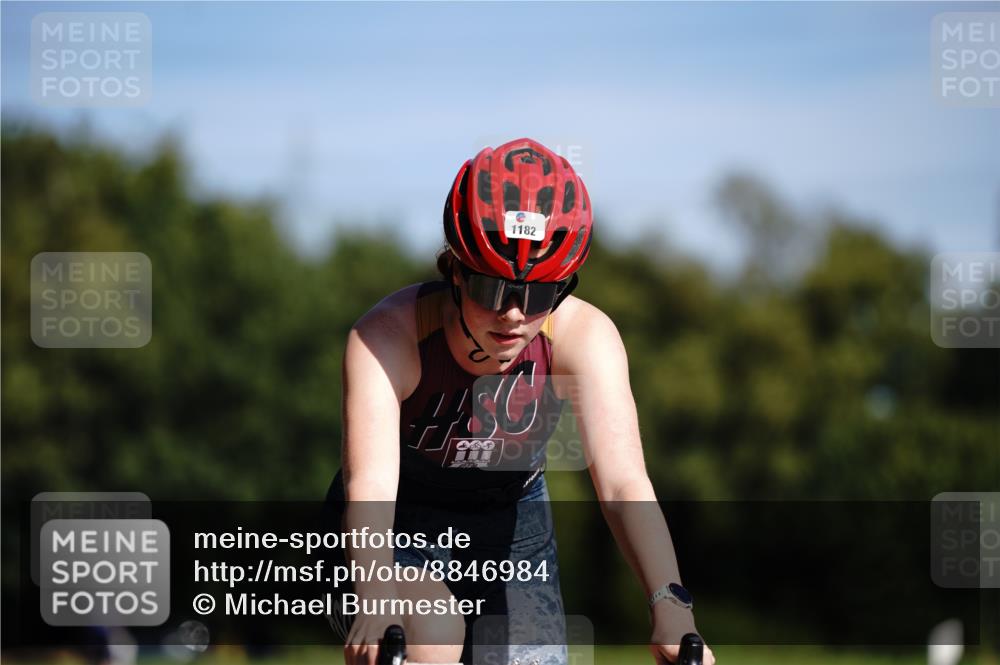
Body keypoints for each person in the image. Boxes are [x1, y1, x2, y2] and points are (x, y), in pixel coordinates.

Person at [324, 138, 716, 665]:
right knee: (430, 635)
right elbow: (370, 484)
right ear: (455, 270)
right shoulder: (387, 336)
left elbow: (625, 484)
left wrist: (671, 605)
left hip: (512, 522)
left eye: (537, 295)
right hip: (397, 525)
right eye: (491, 289)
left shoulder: (585, 337)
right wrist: (372, 588)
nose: (513, 315)